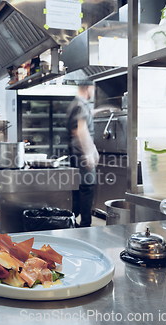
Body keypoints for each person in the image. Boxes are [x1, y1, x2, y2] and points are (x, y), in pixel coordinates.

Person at [66, 83, 99, 228]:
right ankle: (85, 226)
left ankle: (72, 221)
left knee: (77, 188)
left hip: (75, 153)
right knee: (87, 188)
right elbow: (80, 130)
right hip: (81, 154)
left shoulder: (75, 104)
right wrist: (89, 153)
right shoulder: (81, 105)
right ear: (88, 88)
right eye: (94, 89)